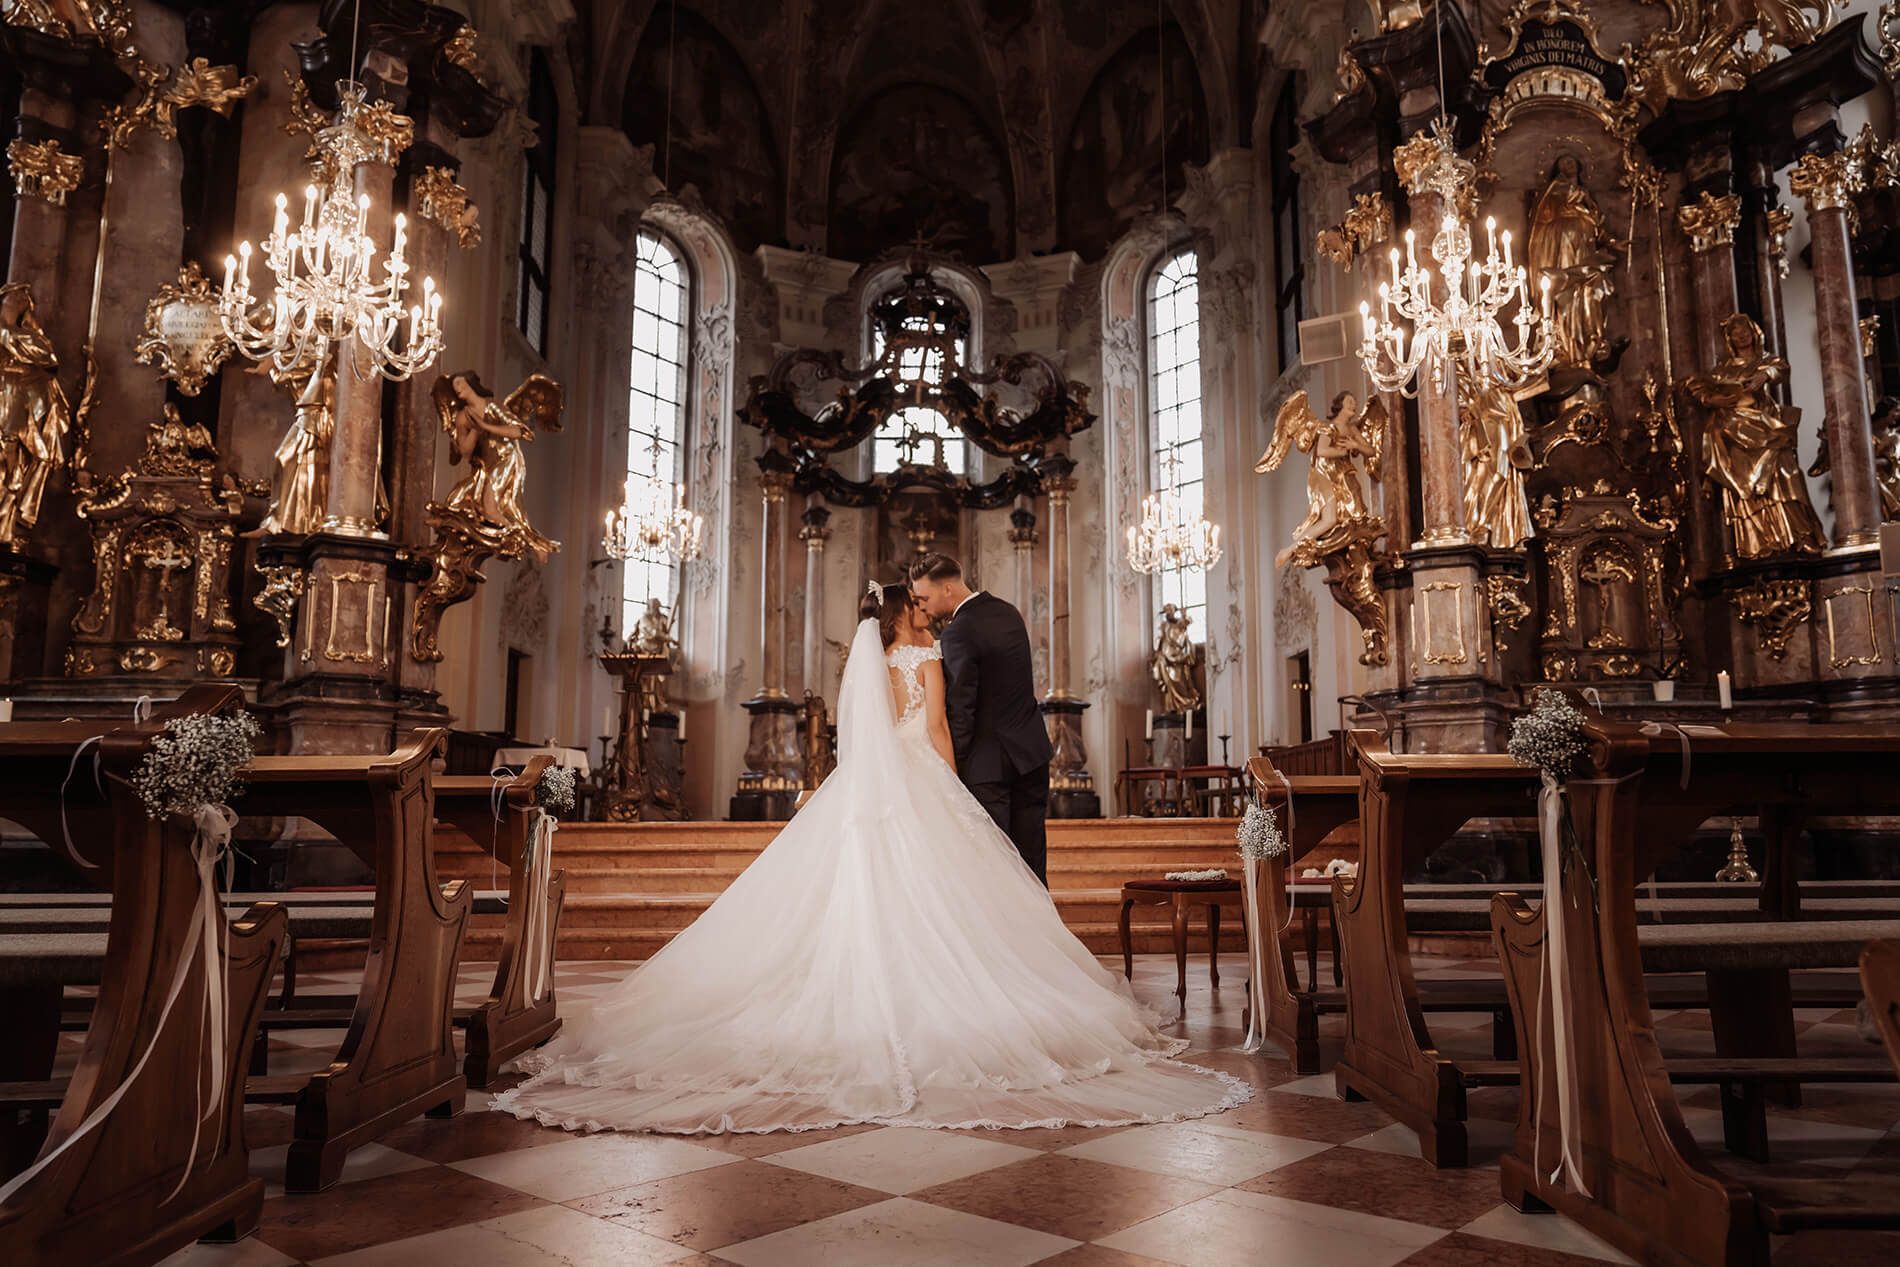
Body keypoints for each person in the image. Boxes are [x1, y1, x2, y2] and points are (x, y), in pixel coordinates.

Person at [492, 583, 1246, 1134]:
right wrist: (953, 790)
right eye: (917, 606)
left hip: (869, 786)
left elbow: (864, 736)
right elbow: (940, 731)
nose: (926, 612)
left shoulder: (869, 660)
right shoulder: (924, 655)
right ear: (905, 615)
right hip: (923, 780)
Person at [907, 552, 1055, 884]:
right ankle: (1038, 917)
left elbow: (962, 709)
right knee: (1032, 861)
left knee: (994, 866)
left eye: (924, 598)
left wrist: (952, 768)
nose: (923, 607)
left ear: (947, 589)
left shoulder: (958, 632)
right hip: (1031, 754)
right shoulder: (1008, 612)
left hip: (989, 766)